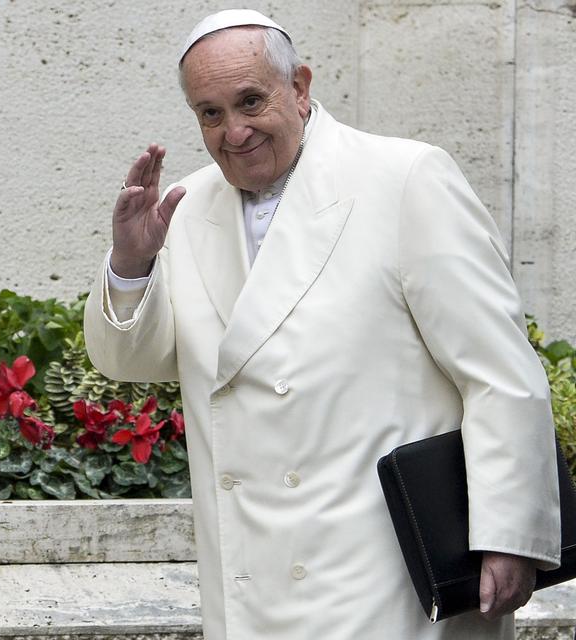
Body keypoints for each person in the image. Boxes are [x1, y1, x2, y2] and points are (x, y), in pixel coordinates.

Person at [84, 9, 560, 640]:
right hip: (250, 576)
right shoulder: (187, 205)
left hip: (381, 575)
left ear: (301, 87)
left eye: (250, 100)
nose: (235, 130)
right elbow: (130, 362)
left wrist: (508, 533)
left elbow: (498, 370)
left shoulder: (404, 178)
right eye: (210, 113)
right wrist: (132, 263)